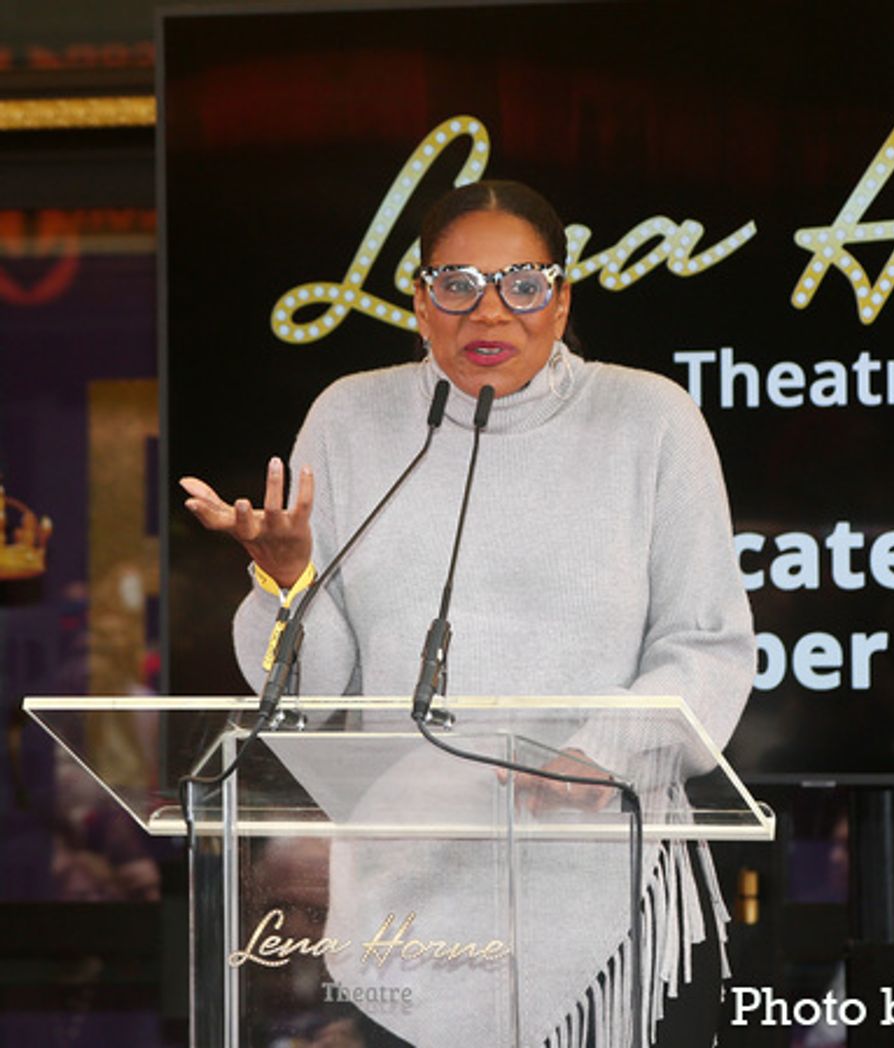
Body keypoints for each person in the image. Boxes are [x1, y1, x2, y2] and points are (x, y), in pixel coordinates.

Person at [180, 180, 756, 1048]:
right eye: (457, 285)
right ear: (418, 302)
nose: (490, 312)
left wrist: (597, 759)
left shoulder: (649, 420)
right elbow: (311, 689)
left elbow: (707, 644)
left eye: (523, 284)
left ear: (561, 302)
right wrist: (288, 582)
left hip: (607, 894)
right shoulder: (351, 419)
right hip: (406, 911)